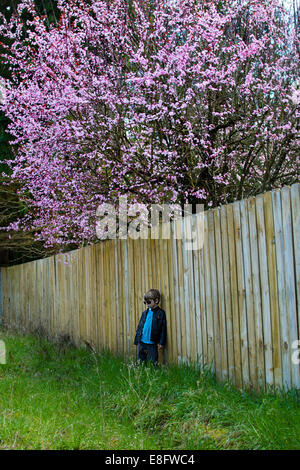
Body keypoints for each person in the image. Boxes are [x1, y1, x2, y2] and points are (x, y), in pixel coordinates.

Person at [134, 289, 167, 366]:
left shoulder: (160, 313)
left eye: (149, 302)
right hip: (141, 342)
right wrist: (137, 339)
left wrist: (161, 342)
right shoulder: (145, 313)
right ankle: (141, 373)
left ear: (156, 301)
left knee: (153, 362)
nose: (147, 305)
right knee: (140, 361)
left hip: (152, 343)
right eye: (145, 302)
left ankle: (153, 374)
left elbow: (163, 329)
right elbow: (140, 326)